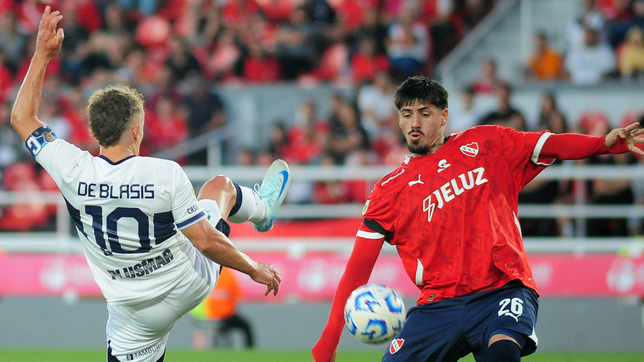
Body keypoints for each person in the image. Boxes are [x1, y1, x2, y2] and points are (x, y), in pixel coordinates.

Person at [11, 8, 291, 362]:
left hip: (130, 309)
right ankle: (262, 210)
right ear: (138, 130)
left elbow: (21, 118)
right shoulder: (164, 173)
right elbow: (205, 241)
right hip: (186, 284)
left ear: (96, 132)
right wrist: (254, 268)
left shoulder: (71, 168)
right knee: (220, 187)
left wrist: (42, 53)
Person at [311, 75, 644, 362]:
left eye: (424, 114)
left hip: (502, 287)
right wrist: (329, 339)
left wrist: (603, 143)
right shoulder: (388, 192)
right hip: (438, 306)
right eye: (407, 114)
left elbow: (550, 144)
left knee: (502, 353)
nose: (415, 123)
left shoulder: (486, 143)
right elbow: (356, 271)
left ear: (443, 117)